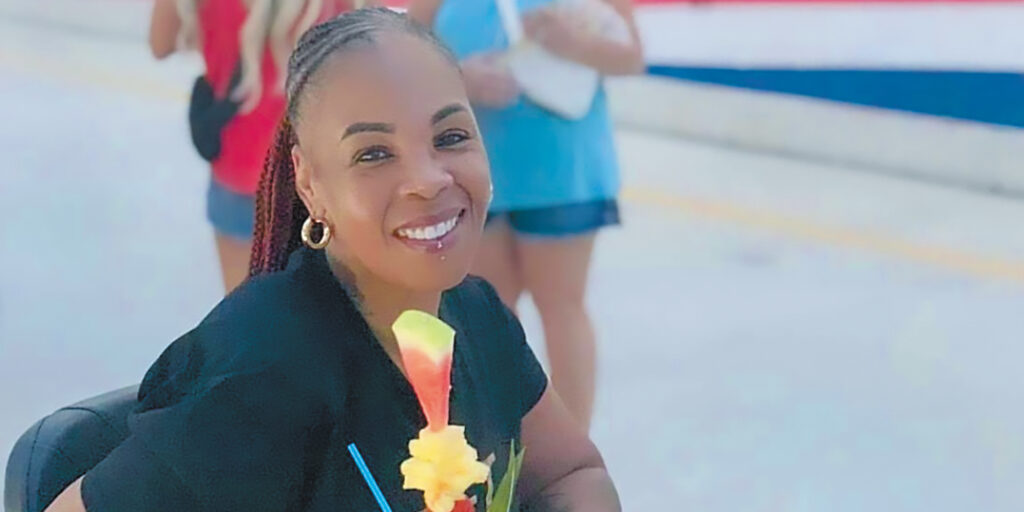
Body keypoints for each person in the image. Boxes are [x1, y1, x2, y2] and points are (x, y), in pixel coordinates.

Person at [45, 8, 620, 512]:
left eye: (450, 137)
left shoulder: (477, 314)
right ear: (310, 184)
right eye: (373, 154)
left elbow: (574, 471)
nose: (427, 178)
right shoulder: (263, 369)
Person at [408, 0, 644, 430]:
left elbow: (631, 57)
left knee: (562, 307)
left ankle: (571, 455)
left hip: (564, 171)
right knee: (489, 313)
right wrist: (459, 80)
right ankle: (507, 443)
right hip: (474, 173)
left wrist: (572, 42)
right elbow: (406, 54)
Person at [148, 0, 360, 293]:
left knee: (246, 322)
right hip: (320, 183)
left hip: (237, 177)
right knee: (319, 325)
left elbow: (160, 44)